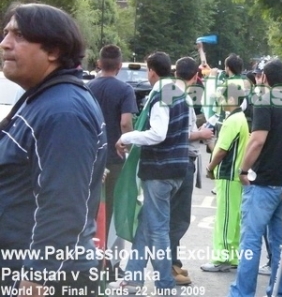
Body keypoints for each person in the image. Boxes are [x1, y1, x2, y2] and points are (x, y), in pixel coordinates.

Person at [0, 2, 107, 296]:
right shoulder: (42, 98)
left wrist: (37, 277)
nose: (5, 44)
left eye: (19, 35)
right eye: (6, 33)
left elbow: (63, 206)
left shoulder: (63, 112)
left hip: (48, 278)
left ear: (53, 51)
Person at [113, 52, 190, 293]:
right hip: (177, 168)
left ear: (152, 71)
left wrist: (126, 137)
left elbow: (158, 133)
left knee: (156, 229)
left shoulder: (161, 94)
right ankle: (133, 279)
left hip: (160, 170)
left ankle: (164, 284)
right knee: (147, 224)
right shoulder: (178, 91)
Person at [229, 59, 282, 297]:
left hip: (262, 182)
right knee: (281, 244)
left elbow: (257, 140)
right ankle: (278, 292)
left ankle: (243, 293)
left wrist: (243, 170)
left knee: (250, 242)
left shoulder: (264, 100)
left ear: (265, 78)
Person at [170, 57, 215, 285]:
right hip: (181, 161)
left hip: (178, 161)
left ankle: (173, 263)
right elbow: (179, 133)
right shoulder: (182, 97)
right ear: (195, 77)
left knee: (174, 218)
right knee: (178, 219)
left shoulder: (173, 93)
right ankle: (169, 266)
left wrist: (198, 126)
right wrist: (202, 134)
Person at [87, 45, 138, 243]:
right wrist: (130, 147)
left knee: (90, 205)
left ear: (99, 63)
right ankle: (105, 259)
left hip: (91, 157)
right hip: (114, 157)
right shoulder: (125, 90)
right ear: (119, 65)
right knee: (109, 207)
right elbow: (125, 123)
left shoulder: (88, 87)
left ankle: (87, 250)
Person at [202, 82, 250, 272]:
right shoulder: (240, 118)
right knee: (234, 218)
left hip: (228, 174)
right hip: (235, 175)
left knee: (225, 217)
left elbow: (222, 150)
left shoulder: (232, 121)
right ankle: (232, 256)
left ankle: (220, 257)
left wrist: (210, 167)